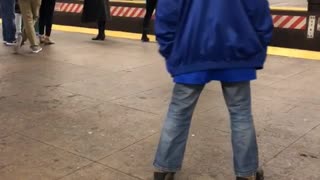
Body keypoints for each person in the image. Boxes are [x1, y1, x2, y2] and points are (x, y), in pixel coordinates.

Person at [153, 0, 273, 180]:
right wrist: (256, 46)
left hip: (190, 52)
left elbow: (166, 13)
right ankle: (246, 173)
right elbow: (259, 12)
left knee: (178, 113)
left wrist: (171, 49)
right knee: (241, 114)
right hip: (237, 52)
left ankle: (163, 170)